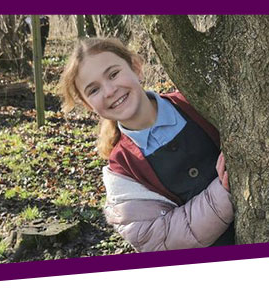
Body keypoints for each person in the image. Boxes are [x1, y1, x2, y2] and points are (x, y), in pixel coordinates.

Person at [59, 37, 234, 252]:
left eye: (113, 74)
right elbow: (160, 238)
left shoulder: (196, 104)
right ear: (88, 105)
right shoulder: (122, 173)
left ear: (136, 68)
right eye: (94, 90)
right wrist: (223, 192)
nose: (109, 91)